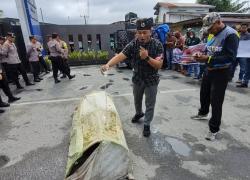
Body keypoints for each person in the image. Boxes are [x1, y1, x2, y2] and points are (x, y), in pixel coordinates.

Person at [101, 18, 163, 137]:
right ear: (136, 33)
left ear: (151, 31)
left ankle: (146, 124)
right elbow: (120, 56)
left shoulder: (157, 45)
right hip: (137, 78)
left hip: (152, 79)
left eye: (145, 32)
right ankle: (139, 113)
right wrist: (108, 65)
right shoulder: (133, 44)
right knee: (137, 100)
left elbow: (159, 65)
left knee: (150, 103)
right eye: (139, 32)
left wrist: (147, 57)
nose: (142, 35)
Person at [191, 12, 239, 141]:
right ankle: (203, 113)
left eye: (211, 28)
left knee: (216, 101)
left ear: (218, 22)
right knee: (204, 94)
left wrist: (208, 58)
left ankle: (214, 129)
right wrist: (200, 54)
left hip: (221, 72)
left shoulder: (231, 35)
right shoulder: (213, 33)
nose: (210, 31)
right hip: (209, 69)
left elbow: (230, 57)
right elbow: (208, 49)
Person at [236, 23, 250, 88]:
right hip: (239, 53)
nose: (243, 29)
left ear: (247, 28)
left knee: (245, 69)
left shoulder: (249, 35)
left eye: (245, 27)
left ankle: (244, 81)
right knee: (247, 69)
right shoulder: (238, 35)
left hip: (246, 55)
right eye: (242, 27)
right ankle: (245, 82)